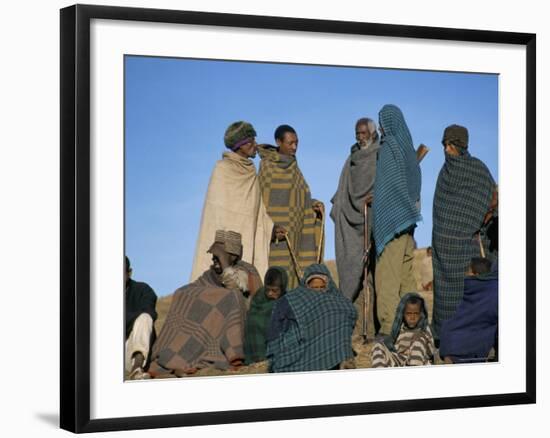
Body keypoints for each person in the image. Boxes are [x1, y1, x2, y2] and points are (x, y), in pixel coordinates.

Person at [148, 230, 262, 377]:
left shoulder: (245, 271)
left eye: (218, 257)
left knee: (229, 298)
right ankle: (176, 361)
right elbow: (195, 290)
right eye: (214, 257)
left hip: (232, 324)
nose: (214, 260)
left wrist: (225, 263)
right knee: (184, 295)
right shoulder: (210, 275)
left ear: (232, 257)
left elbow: (233, 289)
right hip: (208, 327)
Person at [432, 124, 497, 339]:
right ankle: (445, 338)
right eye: (444, 145)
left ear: (461, 145)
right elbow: (440, 208)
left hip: (470, 245)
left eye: (450, 145)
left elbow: (490, 200)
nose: (446, 150)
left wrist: (485, 215)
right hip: (445, 250)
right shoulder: (444, 173)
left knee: (472, 293)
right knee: (446, 300)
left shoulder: (477, 169)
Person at [190, 121, 273, 282]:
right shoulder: (222, 169)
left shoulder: (251, 173)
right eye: (251, 141)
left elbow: (258, 212)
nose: (255, 145)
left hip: (248, 240)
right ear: (240, 145)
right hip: (224, 242)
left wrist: (272, 228)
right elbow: (216, 214)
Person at [372, 105, 422, 336]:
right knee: (406, 278)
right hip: (408, 222)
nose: (380, 126)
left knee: (387, 278)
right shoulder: (408, 148)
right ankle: (416, 325)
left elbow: (386, 187)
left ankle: (388, 329)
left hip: (391, 224)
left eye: (382, 121)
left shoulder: (388, 147)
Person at [330, 117, 380, 339]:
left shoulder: (381, 154)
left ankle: (374, 328)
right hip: (352, 222)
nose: (360, 137)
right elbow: (342, 188)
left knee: (375, 277)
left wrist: (377, 197)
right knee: (354, 275)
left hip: (374, 220)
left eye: (363, 133)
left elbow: (387, 183)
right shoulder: (351, 159)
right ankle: (356, 329)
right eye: (357, 133)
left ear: (373, 132)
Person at [258, 124, 325, 290]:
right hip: (276, 237)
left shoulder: (295, 168)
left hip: (296, 233)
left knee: (296, 279)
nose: (294, 147)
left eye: (297, 143)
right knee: (276, 280)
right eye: (290, 143)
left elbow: (301, 197)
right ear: (278, 142)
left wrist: (313, 205)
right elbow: (260, 204)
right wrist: (270, 228)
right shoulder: (267, 167)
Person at [266, 263, 357, 372]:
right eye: (314, 288)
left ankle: (344, 359)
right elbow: (277, 323)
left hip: (330, 345)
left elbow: (350, 311)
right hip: (302, 346)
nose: (318, 291)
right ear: (306, 286)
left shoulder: (337, 300)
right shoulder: (294, 299)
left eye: (321, 287)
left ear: (328, 286)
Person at [439, 257, 498, 364]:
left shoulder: (489, 292)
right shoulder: (492, 290)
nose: (465, 274)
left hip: (457, 348)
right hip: (460, 346)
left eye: (468, 271)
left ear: (474, 275)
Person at [371, 293, 434, 367]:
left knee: (418, 342)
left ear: (420, 314)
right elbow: (394, 346)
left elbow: (431, 351)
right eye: (409, 313)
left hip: (420, 361)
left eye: (416, 313)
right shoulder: (399, 328)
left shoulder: (424, 329)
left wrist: (422, 338)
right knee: (378, 346)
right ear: (403, 314)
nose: (412, 317)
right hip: (400, 360)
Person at [243, 267, 288, 365]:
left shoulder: (286, 302)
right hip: (252, 350)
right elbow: (253, 320)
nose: (270, 293)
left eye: (274, 290)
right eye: (268, 289)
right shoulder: (259, 296)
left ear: (283, 288)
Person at [125, 256, 158, 380]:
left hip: (132, 350)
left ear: (129, 273)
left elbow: (149, 313)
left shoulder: (143, 290)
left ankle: (137, 368)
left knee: (144, 318)